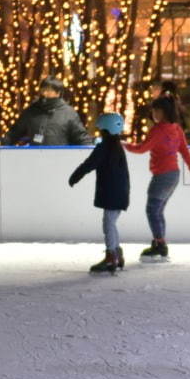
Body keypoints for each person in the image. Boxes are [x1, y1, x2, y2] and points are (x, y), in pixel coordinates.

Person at [125, 96, 190, 260]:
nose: (153, 113)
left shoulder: (158, 130)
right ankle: (160, 242)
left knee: (152, 210)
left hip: (162, 176)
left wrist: (124, 145)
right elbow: (185, 151)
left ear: (163, 112)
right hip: (173, 175)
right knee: (157, 210)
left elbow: (142, 148)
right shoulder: (176, 128)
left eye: (156, 110)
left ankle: (160, 244)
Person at [68, 113, 130, 274]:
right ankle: (116, 252)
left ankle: (111, 256)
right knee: (111, 222)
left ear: (105, 130)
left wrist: (75, 176)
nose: (98, 131)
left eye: (100, 129)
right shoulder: (117, 146)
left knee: (108, 223)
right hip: (120, 191)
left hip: (112, 192)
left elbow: (89, 164)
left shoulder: (104, 148)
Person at [3, 77, 90, 146]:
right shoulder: (31, 111)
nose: (45, 93)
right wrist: (3, 146)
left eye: (49, 90)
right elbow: (14, 133)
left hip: (60, 160)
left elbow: (81, 137)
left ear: (58, 93)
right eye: (43, 90)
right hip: (35, 160)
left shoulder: (69, 113)